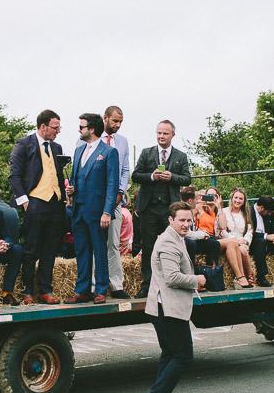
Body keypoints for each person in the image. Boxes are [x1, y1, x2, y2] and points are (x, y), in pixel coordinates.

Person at [140, 202, 205, 393]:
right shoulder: (168, 241)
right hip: (166, 309)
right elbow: (172, 277)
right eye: (182, 220)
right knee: (184, 355)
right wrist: (197, 280)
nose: (186, 224)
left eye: (189, 220)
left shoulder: (176, 238)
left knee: (169, 355)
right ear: (171, 220)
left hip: (165, 307)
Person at [8, 109, 67, 305]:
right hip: (34, 203)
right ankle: (27, 291)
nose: (58, 131)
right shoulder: (24, 143)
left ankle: (45, 290)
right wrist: (25, 201)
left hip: (56, 205)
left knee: (50, 250)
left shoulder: (57, 148)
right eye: (55, 127)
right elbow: (14, 175)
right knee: (31, 249)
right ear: (43, 126)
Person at [131, 120, 191, 298]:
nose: (161, 136)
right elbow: (135, 176)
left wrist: (172, 177)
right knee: (148, 247)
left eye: (165, 133)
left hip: (169, 209)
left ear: (173, 134)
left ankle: (172, 283)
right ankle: (147, 285)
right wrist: (151, 176)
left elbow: (187, 179)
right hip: (148, 208)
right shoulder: (146, 153)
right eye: (159, 133)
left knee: (171, 246)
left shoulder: (181, 156)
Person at [65, 113, 120, 304]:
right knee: (81, 250)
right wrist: (71, 189)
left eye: (82, 127)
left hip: (98, 211)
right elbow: (75, 177)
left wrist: (107, 211)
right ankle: (82, 290)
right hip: (78, 210)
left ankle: (101, 289)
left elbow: (112, 185)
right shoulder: (79, 150)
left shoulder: (109, 152)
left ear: (92, 129)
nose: (79, 130)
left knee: (100, 250)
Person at [76, 106, 130, 299]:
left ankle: (114, 286)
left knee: (112, 245)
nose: (118, 125)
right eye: (115, 121)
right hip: (86, 206)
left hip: (113, 202)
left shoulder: (120, 143)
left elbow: (123, 171)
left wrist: (119, 193)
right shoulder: (80, 145)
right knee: (88, 247)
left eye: (121, 122)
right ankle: (88, 287)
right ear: (105, 119)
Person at [194, 189, 250, 288]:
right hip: (202, 239)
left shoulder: (218, 212)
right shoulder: (199, 208)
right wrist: (198, 199)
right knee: (231, 242)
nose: (211, 197)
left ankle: (241, 276)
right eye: (208, 195)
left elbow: (223, 226)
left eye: (213, 195)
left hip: (213, 239)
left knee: (233, 242)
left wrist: (218, 207)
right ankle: (239, 277)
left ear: (218, 198)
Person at [219, 187, 254, 285]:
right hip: (229, 239)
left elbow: (249, 231)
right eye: (236, 197)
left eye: (240, 199)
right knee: (240, 249)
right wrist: (235, 240)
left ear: (244, 201)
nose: (237, 201)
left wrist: (246, 241)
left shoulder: (245, 214)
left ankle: (249, 275)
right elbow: (222, 231)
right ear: (231, 198)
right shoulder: (224, 212)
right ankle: (244, 276)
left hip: (242, 241)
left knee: (243, 249)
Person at [179, 186, 221, 268]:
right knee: (191, 243)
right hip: (182, 241)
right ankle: (191, 271)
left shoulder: (189, 209)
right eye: (197, 199)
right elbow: (186, 233)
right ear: (190, 201)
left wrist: (203, 234)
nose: (198, 201)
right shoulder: (182, 211)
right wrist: (202, 235)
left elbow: (193, 228)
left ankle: (211, 272)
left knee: (214, 244)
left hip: (192, 237)